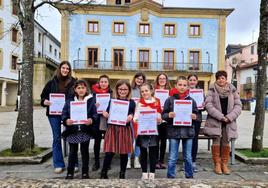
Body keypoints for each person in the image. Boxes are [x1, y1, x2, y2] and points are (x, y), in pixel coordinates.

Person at [40, 61, 76, 174]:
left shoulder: (74, 82)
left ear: (69, 70)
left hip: (69, 113)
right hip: (54, 114)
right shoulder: (51, 82)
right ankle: (58, 164)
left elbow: (80, 94)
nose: (65, 70)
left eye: (67, 68)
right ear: (59, 69)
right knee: (56, 138)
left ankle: (73, 162)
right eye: (63, 68)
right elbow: (43, 97)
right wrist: (44, 102)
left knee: (72, 137)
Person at [204, 70, 242, 175]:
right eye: (219, 78)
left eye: (223, 78)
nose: (221, 80)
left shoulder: (233, 90)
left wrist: (229, 117)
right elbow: (208, 105)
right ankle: (217, 164)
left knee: (226, 142)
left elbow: (238, 106)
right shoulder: (212, 90)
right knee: (216, 142)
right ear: (216, 79)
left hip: (229, 122)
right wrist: (221, 117)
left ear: (226, 79)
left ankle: (224, 164)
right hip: (216, 121)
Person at [162, 76, 200, 179]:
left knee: (188, 157)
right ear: (175, 85)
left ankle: (189, 176)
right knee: (172, 157)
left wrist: (195, 116)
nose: (182, 87)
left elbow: (198, 115)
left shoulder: (191, 100)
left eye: (184, 85)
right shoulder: (169, 100)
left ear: (187, 87)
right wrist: (168, 115)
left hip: (188, 132)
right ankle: (170, 177)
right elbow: (163, 114)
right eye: (180, 85)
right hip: (173, 132)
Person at [61, 80, 98, 179]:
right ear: (75, 90)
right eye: (79, 88)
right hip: (72, 130)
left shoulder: (91, 101)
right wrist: (66, 120)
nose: (81, 90)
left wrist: (91, 120)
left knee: (84, 152)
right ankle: (70, 172)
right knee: (72, 152)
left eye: (83, 87)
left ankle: (85, 172)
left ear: (86, 89)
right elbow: (64, 114)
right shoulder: (69, 101)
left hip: (85, 130)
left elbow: (95, 114)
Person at [100, 79, 136, 179]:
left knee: (124, 153)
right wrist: (105, 114)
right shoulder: (112, 101)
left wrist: (131, 116)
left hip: (125, 129)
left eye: (125, 89)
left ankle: (122, 174)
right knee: (109, 152)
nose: (122, 91)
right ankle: (103, 173)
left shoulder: (132, 102)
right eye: (120, 89)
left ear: (129, 90)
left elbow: (133, 113)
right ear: (117, 89)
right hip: (112, 128)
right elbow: (107, 112)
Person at [134, 83, 162, 180]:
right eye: (142, 91)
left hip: (154, 131)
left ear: (151, 91)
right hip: (143, 132)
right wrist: (137, 119)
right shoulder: (140, 103)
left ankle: (152, 173)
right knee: (144, 153)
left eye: (146, 90)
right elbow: (135, 117)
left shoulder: (157, 101)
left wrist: (159, 119)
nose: (144, 93)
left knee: (153, 153)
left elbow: (159, 116)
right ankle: (144, 172)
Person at [91, 75, 113, 171]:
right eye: (102, 82)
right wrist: (94, 106)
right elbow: (90, 107)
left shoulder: (112, 93)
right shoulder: (94, 94)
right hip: (98, 120)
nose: (103, 83)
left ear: (108, 83)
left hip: (108, 120)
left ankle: (107, 163)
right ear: (99, 83)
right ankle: (96, 162)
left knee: (108, 142)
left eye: (105, 81)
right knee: (97, 141)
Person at [128, 72, 146, 168]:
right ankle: (127, 159)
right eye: (138, 78)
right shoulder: (130, 90)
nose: (139, 80)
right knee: (129, 139)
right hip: (130, 118)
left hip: (140, 119)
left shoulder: (144, 91)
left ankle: (136, 159)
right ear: (134, 79)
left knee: (138, 140)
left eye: (141, 79)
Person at [187, 74, 204, 172]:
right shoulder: (184, 91)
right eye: (190, 80)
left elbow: (204, 106)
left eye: (194, 80)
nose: (192, 82)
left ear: (197, 81)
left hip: (196, 119)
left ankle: (193, 161)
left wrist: (203, 105)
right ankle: (186, 162)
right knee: (186, 140)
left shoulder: (200, 92)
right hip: (185, 119)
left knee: (194, 140)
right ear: (187, 81)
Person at [154, 73, 171, 169]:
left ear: (166, 80)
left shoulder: (170, 92)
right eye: (160, 78)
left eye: (163, 78)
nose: (162, 80)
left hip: (165, 119)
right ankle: (156, 161)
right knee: (156, 140)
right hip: (156, 118)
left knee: (164, 141)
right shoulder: (153, 91)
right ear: (157, 80)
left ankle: (162, 160)